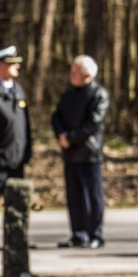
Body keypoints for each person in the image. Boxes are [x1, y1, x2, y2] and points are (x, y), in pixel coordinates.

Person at [51, 55, 109, 249]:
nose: (71, 74)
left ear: (87, 75)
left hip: (89, 153)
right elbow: (56, 116)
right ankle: (78, 233)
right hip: (70, 154)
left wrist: (72, 137)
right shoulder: (68, 94)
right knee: (74, 196)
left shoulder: (99, 94)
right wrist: (61, 134)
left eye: (75, 71)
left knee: (92, 196)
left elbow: (94, 123)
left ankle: (95, 234)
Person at [0, 45, 32, 251]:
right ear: (0, 67)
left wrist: (29, 149)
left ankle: (17, 238)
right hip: (0, 157)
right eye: (12, 64)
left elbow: (26, 123)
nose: (17, 66)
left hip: (17, 156)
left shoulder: (18, 90)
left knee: (17, 202)